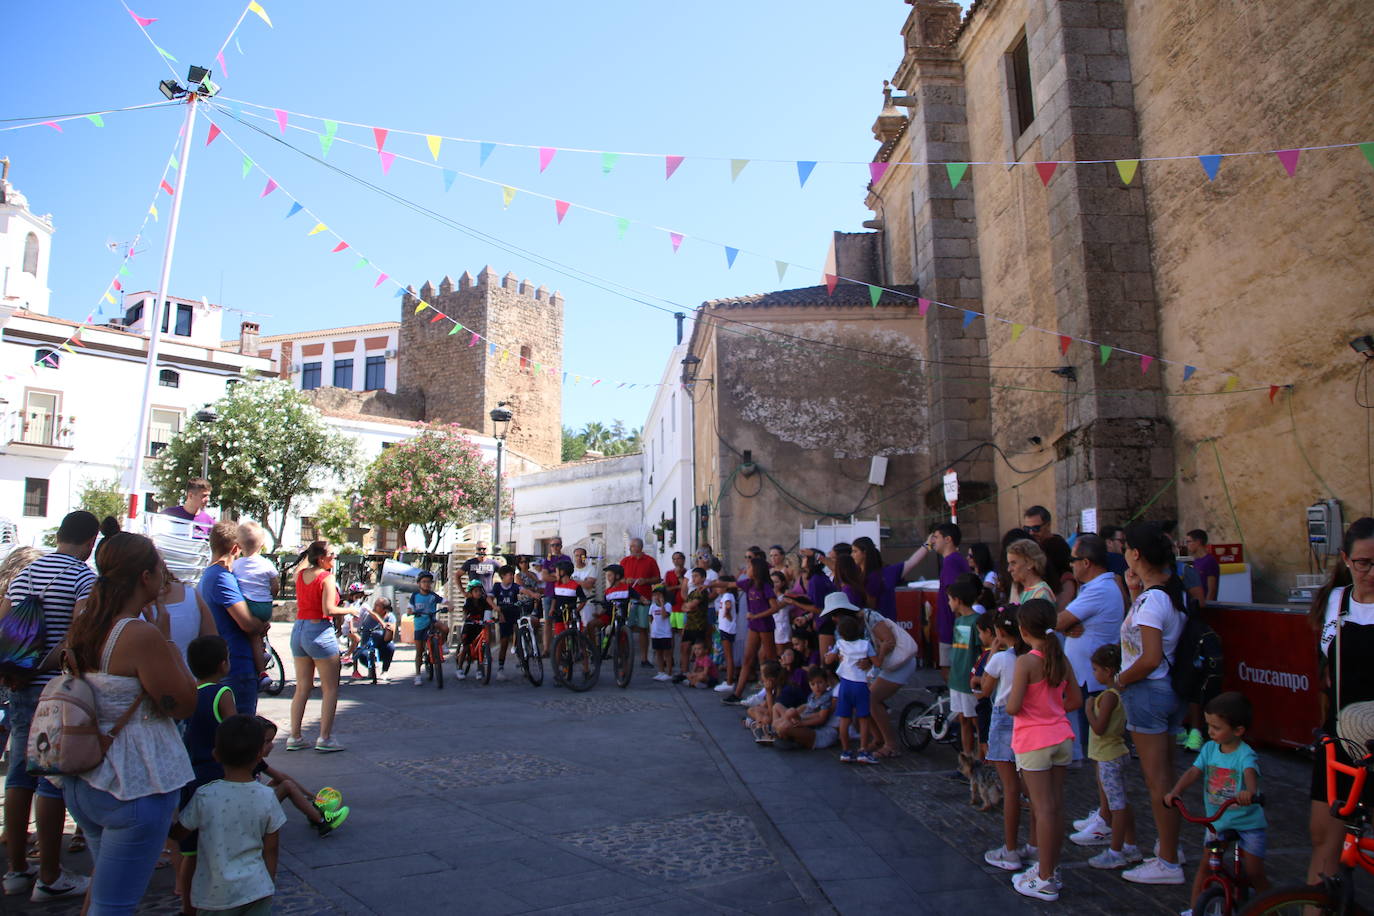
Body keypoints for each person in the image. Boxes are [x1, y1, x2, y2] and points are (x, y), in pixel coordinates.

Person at [60, 528, 198, 914]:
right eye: (160, 569)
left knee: (103, 890)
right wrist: (167, 640)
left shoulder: (86, 621)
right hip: (133, 779)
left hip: (86, 773)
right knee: (115, 903)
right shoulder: (140, 635)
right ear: (145, 577)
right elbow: (183, 703)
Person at [0, 511, 99, 901]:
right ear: (90, 541)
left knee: (20, 771)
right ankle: (51, 875)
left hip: (22, 685)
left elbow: (4, 622)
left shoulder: (26, 574)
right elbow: (80, 632)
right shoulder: (81, 577)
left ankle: (15, 869)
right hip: (56, 688)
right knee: (52, 778)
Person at [1116, 521, 1188, 886]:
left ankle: (1168, 859)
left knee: (1157, 780)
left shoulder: (1154, 600)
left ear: (1136, 554)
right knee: (1164, 776)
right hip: (1163, 690)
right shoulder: (1163, 594)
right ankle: (1169, 845)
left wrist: (1121, 679)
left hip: (1147, 689)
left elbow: (1148, 657)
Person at [1306, 516, 1374, 889]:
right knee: (1323, 838)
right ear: (1347, 559)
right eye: (1363, 563)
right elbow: (1326, 675)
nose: (1371, 572)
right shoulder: (1335, 601)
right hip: (1340, 740)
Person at [1006, 598, 1082, 902]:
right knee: (1055, 807)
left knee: (1043, 808)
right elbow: (1075, 700)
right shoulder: (1061, 659)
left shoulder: (1025, 662)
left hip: (1033, 741)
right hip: (1061, 736)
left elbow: (1013, 706)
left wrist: (1034, 710)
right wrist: (1051, 710)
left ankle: (1046, 877)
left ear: (1023, 631)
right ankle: (1049, 868)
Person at [173, 715, 285, 916]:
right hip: (256, 887)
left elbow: (179, 833)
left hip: (215, 894)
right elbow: (272, 848)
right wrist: (269, 881)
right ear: (259, 755)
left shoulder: (205, 795)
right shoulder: (267, 796)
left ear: (216, 754)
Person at [1165, 692, 1269, 908]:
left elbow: (1250, 775)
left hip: (1247, 823)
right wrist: (1176, 791)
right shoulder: (1210, 748)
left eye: (1217, 727)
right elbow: (1194, 771)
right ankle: (1195, 909)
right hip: (1217, 822)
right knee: (1206, 867)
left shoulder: (1245, 754)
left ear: (1238, 731)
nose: (1210, 731)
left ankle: (1270, 906)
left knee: (1254, 871)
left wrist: (1249, 793)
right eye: (1208, 725)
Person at [178, 634, 237, 915]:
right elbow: (235, 733)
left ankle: (187, 906)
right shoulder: (222, 694)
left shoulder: (189, 692)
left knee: (189, 850)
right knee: (220, 842)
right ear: (223, 664)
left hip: (189, 775)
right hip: (215, 774)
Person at [1058, 533, 1126, 768]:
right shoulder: (1094, 587)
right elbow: (1067, 623)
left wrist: (1064, 626)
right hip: (1086, 674)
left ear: (1086, 562)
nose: (1070, 564)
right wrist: (1067, 629)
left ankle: (1107, 803)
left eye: (1073, 560)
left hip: (1093, 677)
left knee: (1099, 751)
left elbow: (1060, 620)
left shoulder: (1100, 589)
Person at [199, 522, 269, 719]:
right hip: (236, 666)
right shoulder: (222, 577)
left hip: (229, 664)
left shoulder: (209, 575)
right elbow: (246, 623)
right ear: (235, 548)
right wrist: (260, 625)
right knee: (242, 733)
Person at [1079, 644, 1140, 869]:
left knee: (1117, 806)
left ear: (1108, 670)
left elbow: (1099, 728)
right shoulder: (1118, 694)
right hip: (1115, 753)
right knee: (1123, 802)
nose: (1094, 674)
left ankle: (1116, 850)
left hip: (1109, 756)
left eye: (1096, 669)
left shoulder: (1108, 697)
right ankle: (1131, 846)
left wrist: (1088, 711)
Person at [982, 608, 1032, 874]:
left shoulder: (1002, 658)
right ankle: (1034, 844)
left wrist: (993, 650)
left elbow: (985, 688)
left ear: (1000, 633)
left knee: (1010, 788)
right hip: (1029, 719)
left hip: (1004, 718)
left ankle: (1010, 849)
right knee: (1031, 787)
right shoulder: (1034, 656)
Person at [287, 540, 345, 753]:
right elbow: (328, 609)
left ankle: (294, 736)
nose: (334, 557)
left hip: (299, 629)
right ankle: (325, 738)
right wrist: (351, 612)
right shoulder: (326, 578)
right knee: (330, 688)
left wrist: (309, 552)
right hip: (319, 629)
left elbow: (302, 564)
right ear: (321, 558)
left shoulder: (300, 575)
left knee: (302, 687)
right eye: (331, 554)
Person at [253, 718, 348, 836]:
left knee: (282, 780)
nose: (272, 746)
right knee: (287, 785)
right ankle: (321, 821)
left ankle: (314, 808)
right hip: (252, 817)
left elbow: (281, 776)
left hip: (253, 808)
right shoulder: (249, 763)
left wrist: (310, 796)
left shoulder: (255, 760)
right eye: (267, 742)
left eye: (272, 741)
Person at [720, 553, 779, 705]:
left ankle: (776, 690)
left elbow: (775, 607)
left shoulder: (765, 586)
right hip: (754, 625)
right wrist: (708, 585)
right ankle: (737, 693)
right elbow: (728, 585)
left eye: (750, 566)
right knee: (747, 658)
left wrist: (757, 615)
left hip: (765, 626)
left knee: (771, 659)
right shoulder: (748, 584)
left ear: (757, 569)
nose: (747, 568)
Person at [231, 521, 279, 691]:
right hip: (264, 605)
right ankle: (263, 650)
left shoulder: (236, 564)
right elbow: (275, 586)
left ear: (238, 545)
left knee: (252, 635)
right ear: (262, 544)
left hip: (248, 604)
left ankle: (262, 673)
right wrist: (269, 597)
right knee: (261, 630)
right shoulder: (267, 564)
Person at [826, 615, 879, 765]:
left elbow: (828, 660)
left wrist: (835, 655)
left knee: (844, 719)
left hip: (845, 685)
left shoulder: (840, 644)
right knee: (863, 719)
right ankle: (863, 750)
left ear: (841, 633)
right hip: (861, 685)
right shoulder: (865, 644)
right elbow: (878, 662)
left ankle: (846, 751)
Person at [946, 575, 983, 758]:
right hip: (958, 678)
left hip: (970, 679)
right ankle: (967, 756)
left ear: (958, 600)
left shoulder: (977, 621)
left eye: (950, 599)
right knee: (963, 719)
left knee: (975, 719)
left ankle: (983, 758)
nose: (948, 603)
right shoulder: (959, 621)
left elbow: (981, 651)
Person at [1023, 506, 1077, 610]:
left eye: (1036, 528)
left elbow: (1067, 577)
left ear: (1048, 526)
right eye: (1027, 529)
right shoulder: (1032, 547)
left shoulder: (1056, 546)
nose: (1031, 533)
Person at [774, 667, 840, 751]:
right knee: (778, 707)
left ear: (826, 682)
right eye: (813, 684)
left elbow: (821, 718)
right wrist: (797, 716)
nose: (817, 687)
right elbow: (806, 708)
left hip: (818, 730)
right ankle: (778, 731)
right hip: (806, 721)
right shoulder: (812, 696)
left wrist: (802, 722)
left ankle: (782, 734)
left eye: (820, 683)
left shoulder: (827, 697)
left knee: (784, 727)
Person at [618, 538, 660, 668]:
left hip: (643, 598)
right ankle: (623, 656)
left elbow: (657, 578)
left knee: (643, 628)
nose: (630, 548)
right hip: (627, 598)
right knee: (625, 628)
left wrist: (646, 581)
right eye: (630, 546)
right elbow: (617, 579)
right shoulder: (624, 561)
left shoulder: (650, 561)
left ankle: (644, 658)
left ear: (640, 547)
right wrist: (626, 580)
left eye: (633, 546)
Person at [408, 570, 448, 686]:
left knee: (445, 628)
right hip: (420, 625)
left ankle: (442, 644)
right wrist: (411, 612)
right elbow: (410, 608)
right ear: (419, 584)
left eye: (429, 582)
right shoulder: (415, 596)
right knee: (419, 652)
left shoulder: (432, 595)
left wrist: (449, 605)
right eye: (424, 582)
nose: (427, 584)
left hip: (432, 621)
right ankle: (418, 675)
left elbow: (444, 600)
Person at [539, 537, 572, 656]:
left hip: (563, 594)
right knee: (548, 622)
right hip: (549, 594)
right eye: (552, 545)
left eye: (557, 545)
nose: (555, 547)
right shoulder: (547, 560)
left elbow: (567, 576)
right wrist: (558, 577)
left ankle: (565, 648)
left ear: (561, 546)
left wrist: (553, 575)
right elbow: (544, 577)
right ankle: (546, 649)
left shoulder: (566, 559)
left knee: (564, 621)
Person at [456, 580, 494, 680]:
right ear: (471, 593)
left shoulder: (483, 601)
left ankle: (479, 670)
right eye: (475, 591)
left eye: (480, 591)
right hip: (469, 625)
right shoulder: (468, 601)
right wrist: (466, 618)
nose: (478, 593)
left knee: (480, 648)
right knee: (465, 646)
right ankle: (459, 668)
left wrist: (489, 619)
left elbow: (488, 611)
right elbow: (465, 612)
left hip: (479, 625)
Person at [353, 596, 396, 683]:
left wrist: (389, 629)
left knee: (390, 647)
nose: (374, 606)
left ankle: (384, 671)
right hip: (367, 643)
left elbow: (389, 638)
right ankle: (370, 668)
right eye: (375, 604)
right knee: (362, 654)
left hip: (382, 644)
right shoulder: (367, 615)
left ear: (384, 609)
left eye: (377, 605)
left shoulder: (390, 617)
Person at [490, 566, 523, 679]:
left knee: (520, 635)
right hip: (504, 614)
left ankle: (522, 659)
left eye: (512, 575)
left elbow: (524, 590)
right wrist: (495, 607)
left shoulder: (514, 586)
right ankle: (500, 667)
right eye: (510, 575)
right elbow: (489, 598)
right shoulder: (497, 587)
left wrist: (533, 595)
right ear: (503, 576)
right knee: (504, 642)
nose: (512, 577)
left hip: (515, 613)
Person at [1006, 539, 1054, 605]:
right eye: (1009, 563)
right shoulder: (1019, 589)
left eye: (1013, 563)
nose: (1009, 569)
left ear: (1030, 563)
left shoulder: (1041, 594)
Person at [713, 574, 739, 691]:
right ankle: (728, 679)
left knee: (728, 656)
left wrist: (727, 613)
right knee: (727, 655)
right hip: (725, 628)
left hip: (727, 629)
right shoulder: (725, 595)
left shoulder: (728, 595)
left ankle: (729, 681)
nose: (717, 587)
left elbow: (728, 606)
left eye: (719, 585)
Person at [1184, 529, 1220, 607]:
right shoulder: (1196, 561)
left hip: (1205, 608)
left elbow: (1212, 590)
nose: (1187, 545)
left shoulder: (1209, 561)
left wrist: (1206, 608)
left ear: (1198, 542)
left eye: (1188, 541)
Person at [648, 585, 674, 681]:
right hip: (656, 633)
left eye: (658, 595)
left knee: (667, 653)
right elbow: (650, 618)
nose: (656, 597)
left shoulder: (668, 605)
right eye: (655, 595)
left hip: (665, 633)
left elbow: (664, 616)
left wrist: (662, 604)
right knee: (658, 653)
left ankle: (669, 672)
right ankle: (661, 671)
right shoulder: (652, 606)